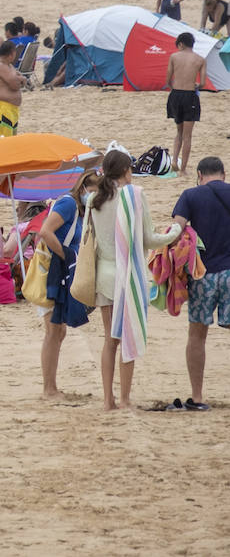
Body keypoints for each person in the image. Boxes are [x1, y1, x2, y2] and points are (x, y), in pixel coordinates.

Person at [87, 150, 181, 409]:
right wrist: (175, 231)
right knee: (127, 335)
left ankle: (108, 400)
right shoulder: (134, 197)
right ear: (127, 170)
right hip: (126, 273)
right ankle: (125, 398)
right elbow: (149, 239)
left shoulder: (93, 200)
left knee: (110, 339)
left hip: (104, 274)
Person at [36, 170, 102, 400]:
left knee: (58, 331)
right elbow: (45, 231)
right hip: (51, 272)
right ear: (83, 188)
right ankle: (48, 389)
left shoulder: (81, 210)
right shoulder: (68, 204)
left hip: (61, 272)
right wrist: (65, 255)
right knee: (53, 330)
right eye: (92, 192)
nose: (93, 197)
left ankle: (51, 386)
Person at [172, 157, 230, 411]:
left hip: (203, 274)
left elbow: (176, 228)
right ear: (223, 174)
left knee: (197, 335)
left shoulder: (191, 195)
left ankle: (197, 397)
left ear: (199, 174)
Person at [166, 31, 205, 176]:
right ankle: (183, 170)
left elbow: (168, 79)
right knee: (188, 135)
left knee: (179, 132)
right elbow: (202, 83)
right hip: (190, 96)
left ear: (181, 44)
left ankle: (175, 160)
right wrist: (195, 86)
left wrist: (174, 87)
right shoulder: (200, 60)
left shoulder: (174, 57)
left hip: (175, 95)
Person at [0, 41, 23, 136]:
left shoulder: (9, 66)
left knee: (12, 141)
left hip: (11, 109)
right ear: (11, 54)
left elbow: (18, 79)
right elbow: (15, 84)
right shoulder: (0, 67)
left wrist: (20, 78)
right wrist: (21, 79)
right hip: (3, 109)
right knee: (4, 143)